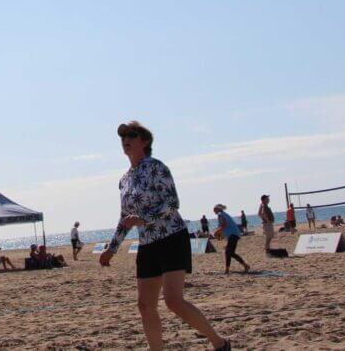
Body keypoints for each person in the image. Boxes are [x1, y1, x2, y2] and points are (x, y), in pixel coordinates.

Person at [97, 121, 229, 351]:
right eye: (122, 137)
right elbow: (124, 217)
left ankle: (219, 343)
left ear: (145, 141)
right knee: (145, 306)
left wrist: (143, 218)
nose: (125, 140)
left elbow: (172, 203)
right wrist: (112, 248)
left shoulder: (157, 167)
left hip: (171, 238)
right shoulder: (125, 179)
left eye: (131, 135)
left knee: (173, 301)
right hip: (148, 245)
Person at [212, 205, 249, 275]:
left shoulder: (220, 214)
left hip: (233, 234)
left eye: (214, 210)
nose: (214, 212)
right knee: (229, 252)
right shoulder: (224, 214)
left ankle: (244, 265)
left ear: (217, 210)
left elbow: (224, 225)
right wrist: (221, 236)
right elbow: (225, 228)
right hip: (233, 234)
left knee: (229, 252)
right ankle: (228, 269)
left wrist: (216, 232)